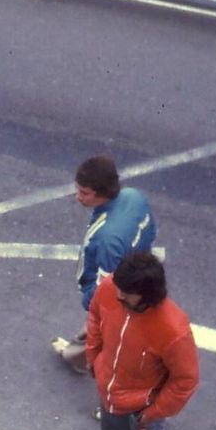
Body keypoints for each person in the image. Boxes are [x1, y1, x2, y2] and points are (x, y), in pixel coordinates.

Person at [86, 252, 199, 430]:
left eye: (127, 293)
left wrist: (153, 412)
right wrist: (94, 358)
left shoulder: (173, 329)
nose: (118, 295)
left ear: (147, 294)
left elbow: (185, 380)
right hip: (109, 393)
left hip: (144, 408)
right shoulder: (112, 288)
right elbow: (95, 318)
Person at [56, 155, 156, 377]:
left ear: (102, 192)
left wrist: (88, 301)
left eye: (84, 192)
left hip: (122, 286)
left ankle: (82, 360)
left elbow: (104, 292)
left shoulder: (107, 240)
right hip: (140, 270)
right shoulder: (134, 197)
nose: (78, 197)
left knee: (100, 328)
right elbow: (150, 232)